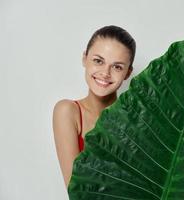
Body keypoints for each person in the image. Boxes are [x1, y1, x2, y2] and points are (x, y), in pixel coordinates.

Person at [52, 25, 136, 188]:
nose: (105, 73)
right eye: (98, 61)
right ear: (85, 58)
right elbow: (76, 190)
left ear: (128, 72)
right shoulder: (68, 111)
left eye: (117, 67)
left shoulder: (137, 122)